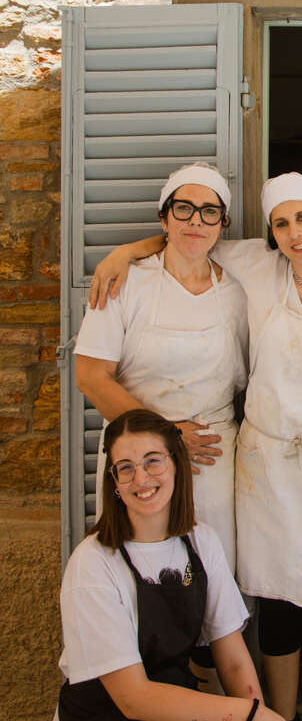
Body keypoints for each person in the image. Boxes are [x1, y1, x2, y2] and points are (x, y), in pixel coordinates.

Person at [91, 173, 302, 721]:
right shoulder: (258, 271)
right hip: (268, 473)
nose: (293, 233)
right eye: (281, 223)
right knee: (278, 610)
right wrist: (123, 252)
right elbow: (185, 236)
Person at [51, 409, 296, 721]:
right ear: (114, 482)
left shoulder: (201, 542)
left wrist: (260, 720)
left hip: (173, 709)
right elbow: (134, 699)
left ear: (176, 464)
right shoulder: (93, 563)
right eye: (126, 467)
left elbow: (232, 657)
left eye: (153, 461)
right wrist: (246, 715)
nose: (141, 478)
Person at [77, 162, 248, 575]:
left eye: (209, 211)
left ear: (222, 223)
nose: (195, 220)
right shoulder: (125, 282)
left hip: (212, 460)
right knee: (139, 571)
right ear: (164, 217)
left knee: (209, 573)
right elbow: (90, 376)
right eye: (183, 208)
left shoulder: (238, 292)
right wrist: (166, 436)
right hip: (138, 456)